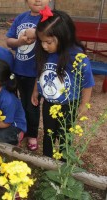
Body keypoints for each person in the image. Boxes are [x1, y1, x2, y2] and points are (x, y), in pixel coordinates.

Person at [31, 9, 95, 158]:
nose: (44, 46)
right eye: (41, 41)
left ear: (64, 36)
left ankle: (63, 164)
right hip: (48, 103)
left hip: (68, 106)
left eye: (48, 42)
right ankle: (46, 162)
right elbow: (40, 73)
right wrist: (36, 90)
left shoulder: (77, 57)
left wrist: (84, 105)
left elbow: (88, 83)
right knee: (48, 133)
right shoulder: (44, 54)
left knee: (65, 136)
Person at [6, 0, 51, 151]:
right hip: (19, 70)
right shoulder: (20, 18)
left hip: (36, 73)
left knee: (32, 105)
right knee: (20, 104)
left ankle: (32, 134)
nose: (38, 0)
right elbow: (9, 41)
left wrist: (35, 32)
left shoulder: (48, 19)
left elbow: (53, 34)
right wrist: (19, 41)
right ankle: (22, 129)